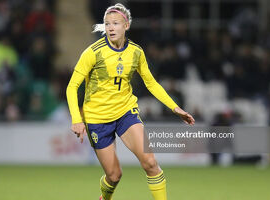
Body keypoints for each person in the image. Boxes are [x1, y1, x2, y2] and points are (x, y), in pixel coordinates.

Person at [66, 3, 195, 200]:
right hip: (97, 118)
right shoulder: (93, 52)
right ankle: (105, 197)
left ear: (126, 26)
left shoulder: (136, 52)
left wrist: (175, 107)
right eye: (107, 24)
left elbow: (151, 83)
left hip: (126, 112)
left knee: (151, 163)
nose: (110, 28)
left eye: (115, 23)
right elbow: (72, 86)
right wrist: (77, 119)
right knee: (114, 175)